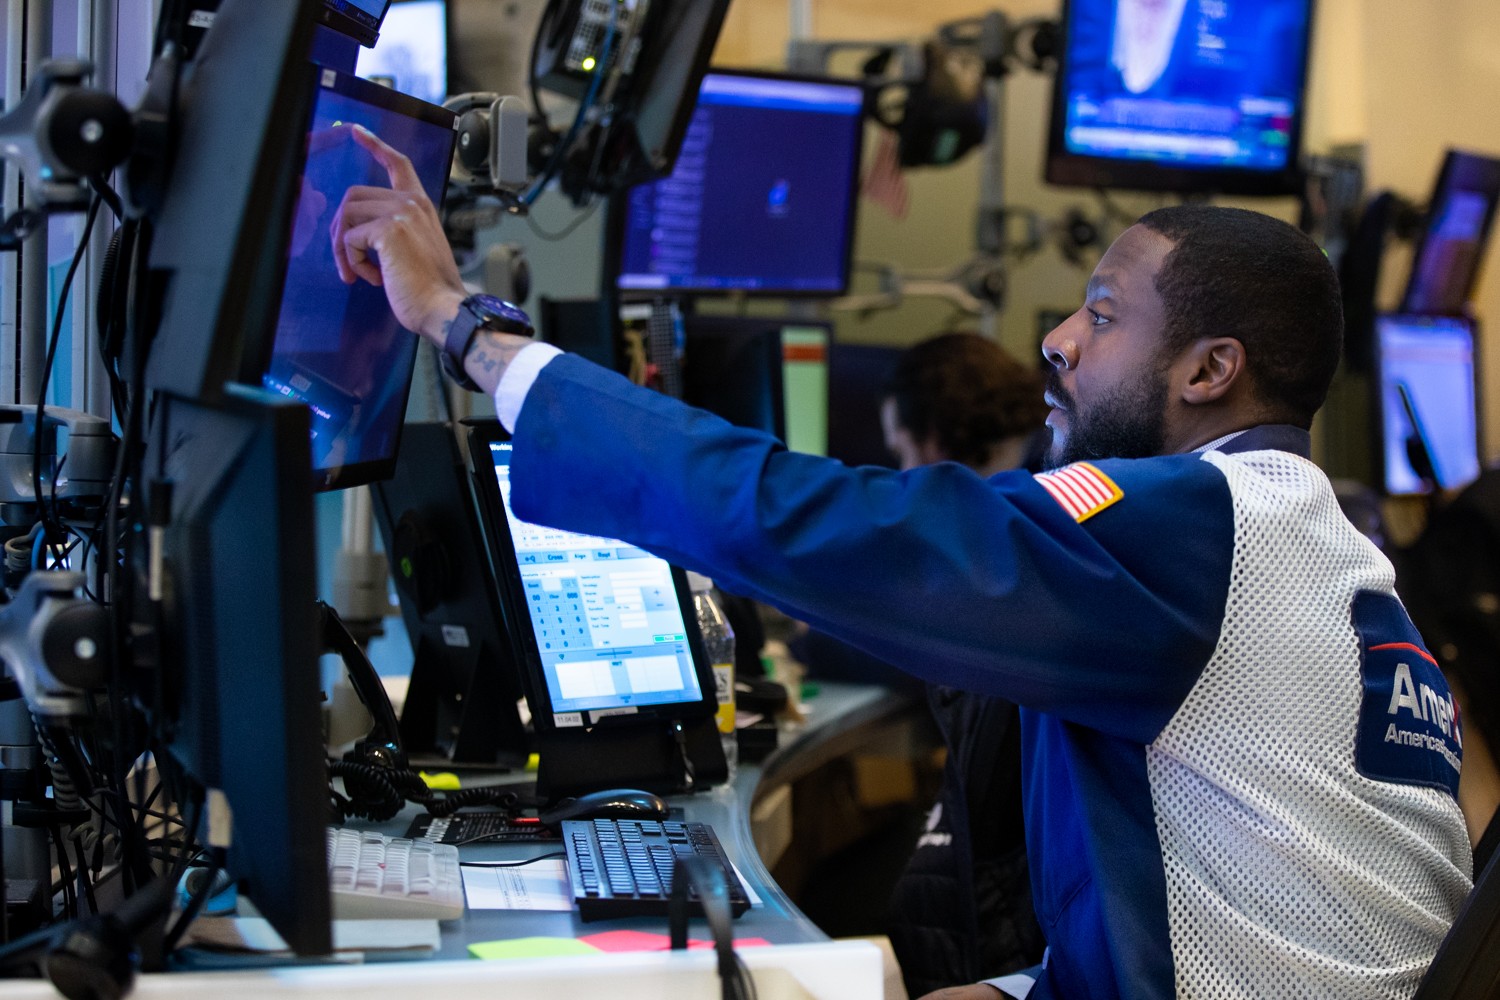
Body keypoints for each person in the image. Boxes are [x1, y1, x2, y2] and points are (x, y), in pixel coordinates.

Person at [332, 124, 1474, 999]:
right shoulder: (1333, 557)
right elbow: (1249, 910)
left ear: (1208, 371)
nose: (1057, 342)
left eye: (1101, 315)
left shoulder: (1191, 522)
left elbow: (811, 522)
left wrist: (468, 329)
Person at [876, 333, 1049, 996]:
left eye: (902, 451)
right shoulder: (1048, 489)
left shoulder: (1010, 530)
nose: (903, 475)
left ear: (936, 437)